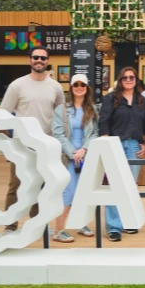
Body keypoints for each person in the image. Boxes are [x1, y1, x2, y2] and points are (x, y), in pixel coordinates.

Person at [0, 47, 65, 234]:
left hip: (45, 144)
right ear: (29, 60)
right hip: (21, 145)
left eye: (43, 58)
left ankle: (38, 225)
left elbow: (61, 116)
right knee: (16, 184)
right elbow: (4, 114)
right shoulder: (17, 85)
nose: (39, 60)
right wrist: (9, 142)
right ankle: (10, 225)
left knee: (42, 185)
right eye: (36, 57)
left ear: (47, 61)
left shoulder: (55, 87)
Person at [98, 66, 145, 242]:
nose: (129, 80)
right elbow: (103, 122)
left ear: (136, 80)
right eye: (125, 78)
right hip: (115, 145)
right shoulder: (110, 99)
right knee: (115, 186)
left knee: (129, 186)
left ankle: (128, 220)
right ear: (120, 80)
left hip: (134, 146)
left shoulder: (142, 101)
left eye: (132, 77)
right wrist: (106, 145)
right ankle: (114, 226)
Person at [50, 74, 98, 242]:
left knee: (83, 191)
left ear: (87, 88)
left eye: (82, 85)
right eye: (76, 84)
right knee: (67, 192)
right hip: (67, 157)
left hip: (86, 155)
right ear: (71, 87)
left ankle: (80, 223)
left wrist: (84, 149)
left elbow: (94, 133)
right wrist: (73, 153)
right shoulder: (61, 110)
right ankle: (58, 230)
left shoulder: (92, 109)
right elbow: (58, 133)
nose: (79, 87)